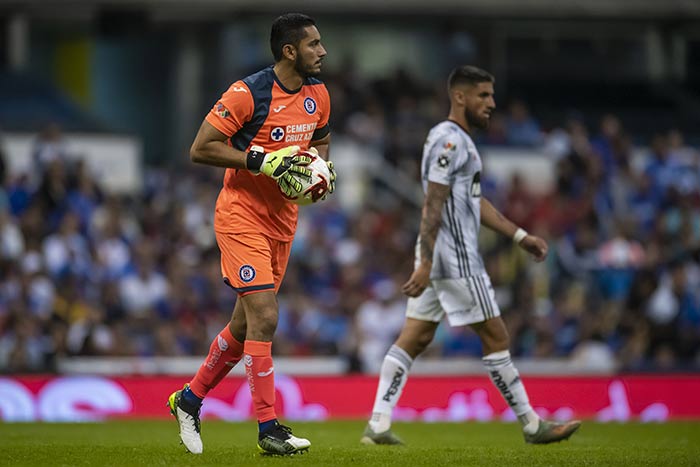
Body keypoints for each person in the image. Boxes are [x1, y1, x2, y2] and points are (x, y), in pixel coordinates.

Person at [360, 65, 580, 446]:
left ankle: (377, 424)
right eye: (483, 96)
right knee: (496, 334)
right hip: (454, 257)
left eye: (492, 96)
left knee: (415, 336)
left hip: (438, 254)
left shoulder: (458, 141)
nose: (492, 104)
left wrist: (520, 235)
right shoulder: (450, 141)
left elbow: (474, 203)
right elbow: (432, 203)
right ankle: (531, 425)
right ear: (459, 97)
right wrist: (428, 260)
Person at [168, 12, 334, 456]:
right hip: (241, 216)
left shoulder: (319, 95)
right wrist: (262, 161)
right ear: (289, 51)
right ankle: (269, 428)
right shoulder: (248, 93)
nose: (322, 51)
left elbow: (320, 144)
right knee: (265, 315)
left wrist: (319, 175)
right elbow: (200, 148)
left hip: (283, 222)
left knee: (243, 328)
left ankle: (188, 400)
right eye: (314, 44)